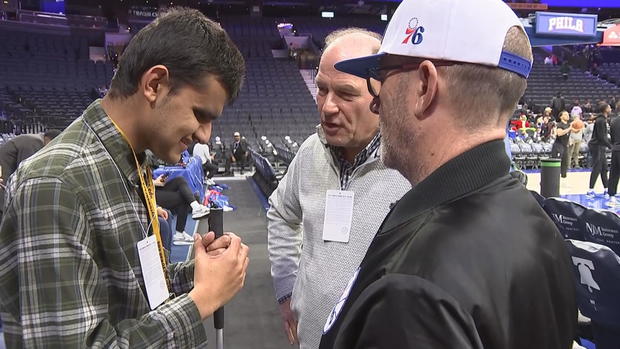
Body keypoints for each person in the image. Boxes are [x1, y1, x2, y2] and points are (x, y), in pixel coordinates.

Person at [321, 0, 577, 348]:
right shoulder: (539, 224)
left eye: (381, 78)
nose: (377, 103)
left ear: (425, 86)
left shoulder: (411, 289)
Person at [0, 8, 249, 348]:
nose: (206, 135)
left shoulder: (134, 160)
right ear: (154, 85)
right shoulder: (56, 184)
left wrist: (197, 275)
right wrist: (200, 301)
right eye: (200, 114)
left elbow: (134, 292)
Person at [267, 28, 410, 349]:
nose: (328, 107)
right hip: (311, 337)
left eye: (345, 94)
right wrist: (287, 289)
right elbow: (280, 214)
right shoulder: (309, 152)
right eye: (321, 89)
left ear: (381, 95)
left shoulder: (409, 165)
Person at [0, 129, 61, 211]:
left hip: (7, 174)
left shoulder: (33, 139)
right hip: (4, 176)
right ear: (50, 140)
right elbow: (27, 172)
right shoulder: (34, 142)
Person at [153, 174, 210, 245]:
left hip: (154, 187)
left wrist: (156, 181)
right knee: (183, 197)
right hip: (148, 192)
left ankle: (195, 207)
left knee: (180, 180)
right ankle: (179, 233)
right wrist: (154, 182)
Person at [587, 102, 612, 198]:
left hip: (600, 145)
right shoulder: (601, 120)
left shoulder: (602, 119)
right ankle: (590, 190)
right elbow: (602, 137)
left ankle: (606, 188)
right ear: (605, 109)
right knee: (597, 167)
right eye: (609, 107)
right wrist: (610, 146)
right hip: (597, 146)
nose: (610, 108)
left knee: (604, 167)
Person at [551, 111, 573, 178]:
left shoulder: (569, 124)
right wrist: (569, 128)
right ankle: (554, 176)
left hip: (565, 145)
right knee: (557, 162)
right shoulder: (559, 124)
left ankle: (563, 177)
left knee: (565, 162)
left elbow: (569, 133)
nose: (567, 115)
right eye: (565, 114)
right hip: (558, 145)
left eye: (567, 114)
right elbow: (559, 133)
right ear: (561, 117)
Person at [606, 103, 620, 206]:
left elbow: (612, 137)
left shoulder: (613, 121)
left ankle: (612, 198)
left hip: (615, 149)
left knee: (614, 173)